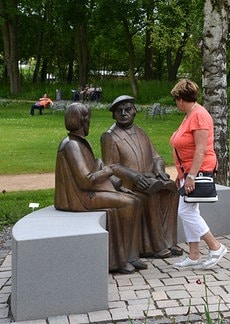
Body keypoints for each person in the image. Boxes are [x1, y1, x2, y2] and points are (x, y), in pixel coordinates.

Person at [54, 102, 146, 274]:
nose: (89, 123)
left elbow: (91, 170)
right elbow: (86, 181)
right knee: (129, 204)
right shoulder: (72, 145)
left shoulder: (78, 142)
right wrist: (107, 170)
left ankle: (131, 255)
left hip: (86, 192)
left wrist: (114, 181)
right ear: (82, 121)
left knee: (135, 200)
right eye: (88, 119)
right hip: (79, 198)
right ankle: (119, 260)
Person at [101, 95, 180, 259]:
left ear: (135, 111)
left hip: (151, 178)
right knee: (150, 195)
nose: (124, 113)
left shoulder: (141, 132)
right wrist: (135, 177)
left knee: (172, 192)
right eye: (119, 111)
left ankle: (169, 242)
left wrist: (159, 170)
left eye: (128, 109)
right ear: (113, 114)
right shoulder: (109, 136)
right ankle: (155, 246)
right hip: (129, 184)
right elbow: (111, 166)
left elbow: (157, 157)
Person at [169, 78, 228, 269]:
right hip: (186, 171)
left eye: (176, 99)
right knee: (190, 210)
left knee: (185, 212)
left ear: (180, 99)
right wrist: (181, 173)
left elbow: (201, 149)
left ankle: (215, 246)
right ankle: (193, 255)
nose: (176, 103)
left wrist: (191, 176)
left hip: (197, 171)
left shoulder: (199, 116)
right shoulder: (190, 114)